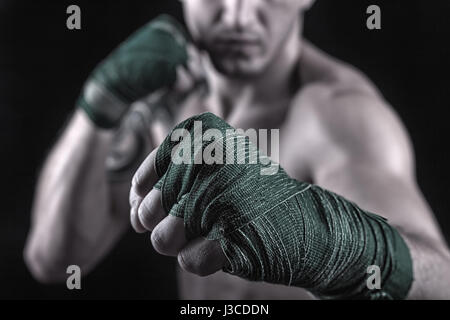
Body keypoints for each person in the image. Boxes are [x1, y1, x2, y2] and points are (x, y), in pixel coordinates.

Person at [24, 0, 450, 299]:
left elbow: (441, 283)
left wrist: (325, 243)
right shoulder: (164, 103)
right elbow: (54, 261)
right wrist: (100, 104)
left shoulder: (338, 116)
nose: (237, 14)